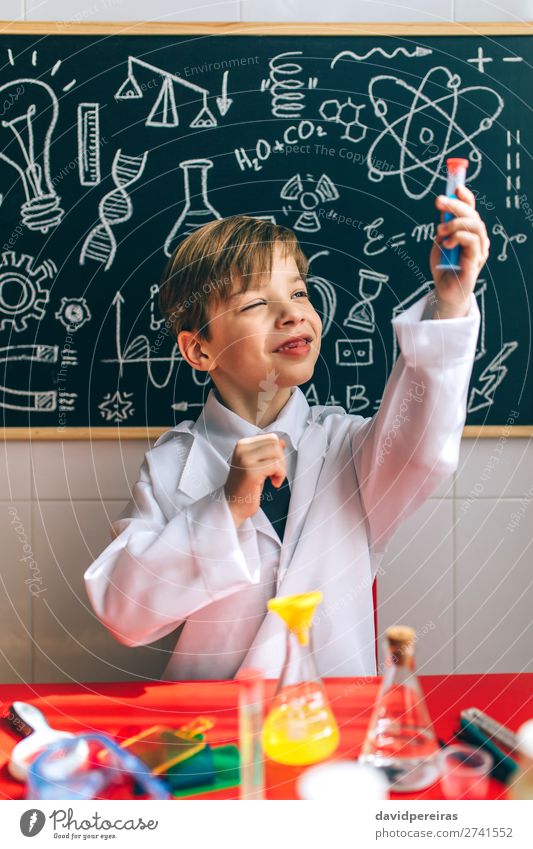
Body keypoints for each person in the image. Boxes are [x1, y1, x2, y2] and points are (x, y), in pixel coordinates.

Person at [84, 188, 487, 679]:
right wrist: (227, 506)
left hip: (334, 730)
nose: (294, 312)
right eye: (256, 303)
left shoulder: (348, 449)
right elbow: (125, 614)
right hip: (213, 733)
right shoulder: (172, 466)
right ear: (199, 351)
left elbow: (420, 447)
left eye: (298, 293)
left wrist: (449, 304)